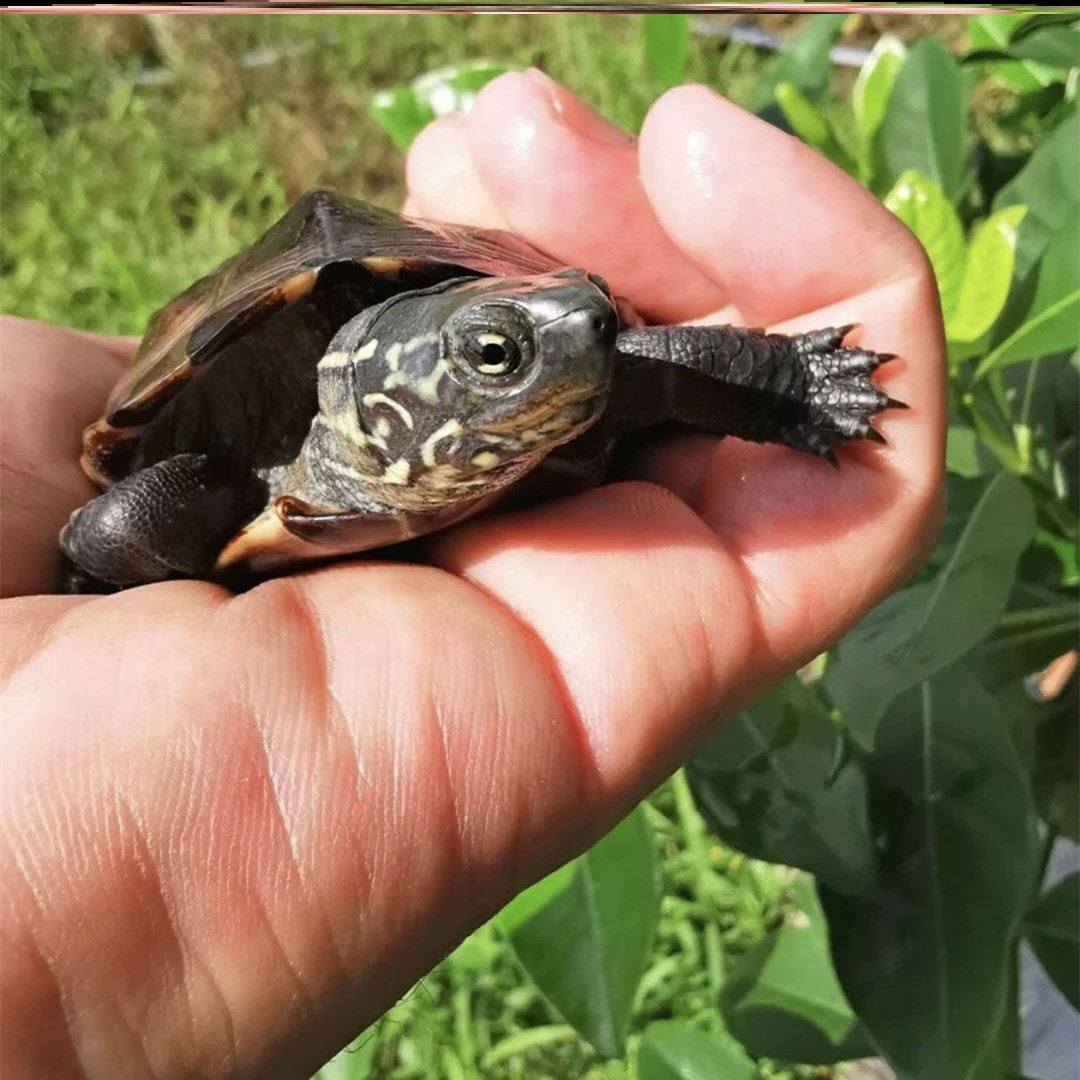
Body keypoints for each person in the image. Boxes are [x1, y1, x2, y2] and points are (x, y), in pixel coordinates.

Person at [0, 73, 945, 1079]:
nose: (580, 347)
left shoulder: (579, 360)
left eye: (572, 326)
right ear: (369, 395)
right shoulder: (215, 463)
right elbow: (114, 527)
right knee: (139, 522)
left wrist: (789, 385)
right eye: (501, 355)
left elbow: (632, 354)